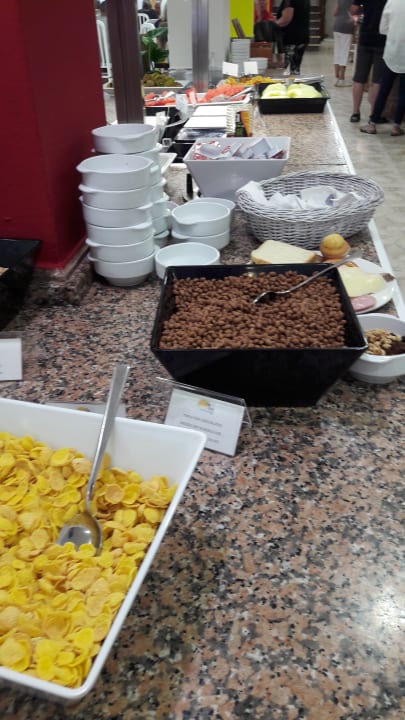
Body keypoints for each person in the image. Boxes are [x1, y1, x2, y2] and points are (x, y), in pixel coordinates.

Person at [360, 0, 405, 135]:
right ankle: (396, 126)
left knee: (384, 90)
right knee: (403, 93)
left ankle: (373, 124)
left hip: (392, 52)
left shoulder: (391, 2)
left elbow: (383, 29)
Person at [349, 0, 388, 122]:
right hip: (382, 38)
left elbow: (353, 10)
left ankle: (355, 112)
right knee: (377, 80)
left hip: (365, 37)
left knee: (359, 78)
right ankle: (373, 115)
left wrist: (364, 9)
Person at [273, 0, 310, 76]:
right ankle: (294, 81)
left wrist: (272, 24)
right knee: (295, 69)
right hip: (302, 36)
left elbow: (286, 19)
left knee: (283, 70)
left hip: (290, 38)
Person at [333, 0, 355, 86]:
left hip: (337, 26)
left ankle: (336, 78)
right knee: (344, 53)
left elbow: (334, 13)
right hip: (347, 27)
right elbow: (354, 14)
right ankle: (342, 79)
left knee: (337, 52)